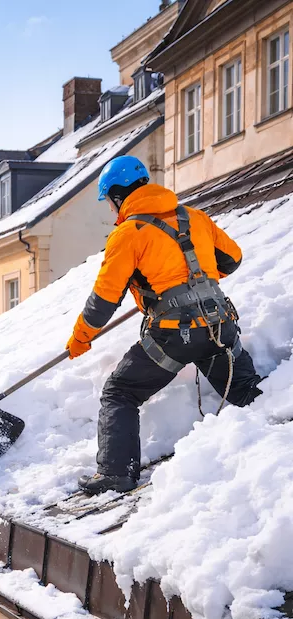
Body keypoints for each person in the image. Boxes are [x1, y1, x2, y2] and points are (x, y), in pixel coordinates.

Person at [67, 155, 262, 496]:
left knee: (120, 392)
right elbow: (232, 259)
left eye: (109, 204)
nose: (112, 213)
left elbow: (103, 301)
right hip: (219, 325)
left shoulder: (129, 233)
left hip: (175, 335)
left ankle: (116, 474)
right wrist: (192, 281)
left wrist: (82, 337)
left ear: (116, 196)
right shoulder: (195, 217)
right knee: (248, 393)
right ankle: (274, 443)